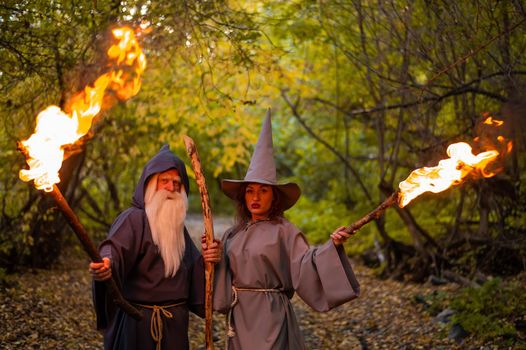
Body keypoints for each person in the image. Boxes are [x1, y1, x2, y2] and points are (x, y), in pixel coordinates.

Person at [212, 110, 361, 350]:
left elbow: (306, 263)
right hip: (240, 320)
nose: (255, 197)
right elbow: (220, 279)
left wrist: (332, 246)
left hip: (272, 318)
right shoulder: (232, 234)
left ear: (275, 196)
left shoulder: (285, 231)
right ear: (243, 196)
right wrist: (212, 259)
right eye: (250, 191)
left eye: (263, 190)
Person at [89, 144, 221, 350]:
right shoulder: (132, 219)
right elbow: (113, 249)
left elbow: (193, 268)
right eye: (164, 181)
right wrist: (106, 263)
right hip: (138, 323)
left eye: (177, 183)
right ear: (150, 184)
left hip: (175, 325)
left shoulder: (177, 226)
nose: (171, 187)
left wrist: (209, 258)